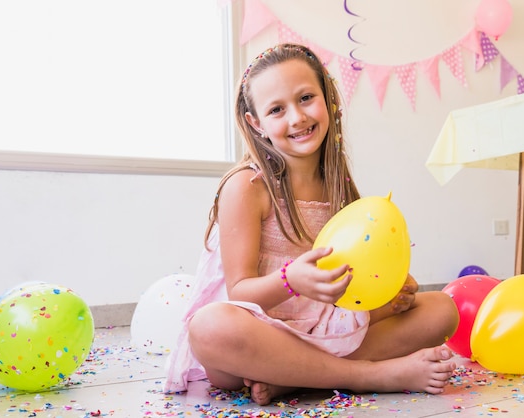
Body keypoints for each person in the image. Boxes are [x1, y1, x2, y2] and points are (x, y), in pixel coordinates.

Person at [164, 43, 459, 406]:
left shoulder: (338, 186)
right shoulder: (246, 187)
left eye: (306, 98)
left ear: (328, 98)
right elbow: (239, 291)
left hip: (325, 325)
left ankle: (292, 378)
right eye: (276, 109)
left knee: (441, 310)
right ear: (256, 123)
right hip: (261, 333)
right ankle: (369, 374)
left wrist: (390, 291)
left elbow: (354, 274)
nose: (297, 117)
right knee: (209, 328)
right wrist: (290, 280)